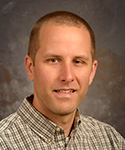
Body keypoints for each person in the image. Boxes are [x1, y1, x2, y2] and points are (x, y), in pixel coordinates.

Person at [0, 11, 124, 150]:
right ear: (30, 67)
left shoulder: (111, 141)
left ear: (92, 71)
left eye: (78, 61)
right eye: (53, 60)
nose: (67, 76)